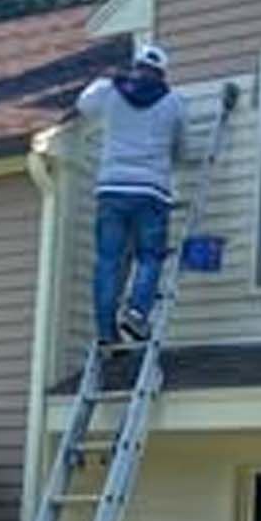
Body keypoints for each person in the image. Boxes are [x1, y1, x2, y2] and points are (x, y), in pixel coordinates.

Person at [75, 44, 189, 345]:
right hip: (152, 191)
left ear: (136, 65)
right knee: (149, 256)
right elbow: (180, 148)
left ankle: (105, 331)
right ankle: (137, 313)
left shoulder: (110, 91)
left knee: (108, 261)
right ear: (163, 72)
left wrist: (109, 78)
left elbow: (82, 104)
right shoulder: (174, 102)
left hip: (111, 189)